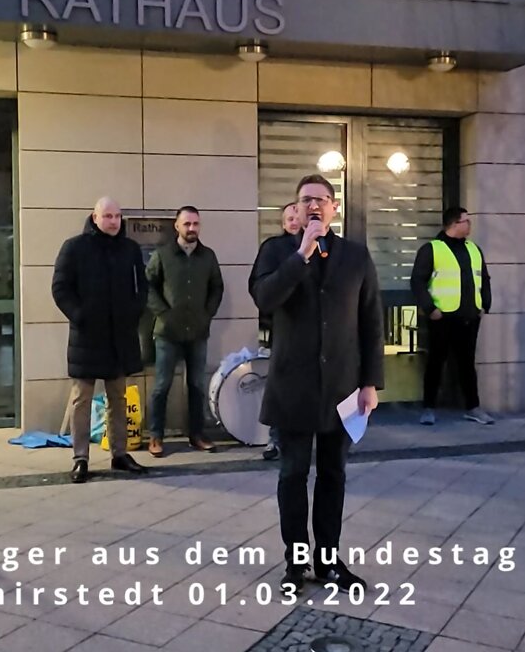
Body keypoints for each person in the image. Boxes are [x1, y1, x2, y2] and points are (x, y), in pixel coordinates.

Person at [251, 174, 383, 593]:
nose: (314, 206)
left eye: (321, 199)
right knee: (292, 474)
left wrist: (370, 382)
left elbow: (371, 322)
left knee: (333, 474)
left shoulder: (356, 256)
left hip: (342, 387)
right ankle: (296, 560)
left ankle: (327, 560)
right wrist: (301, 255)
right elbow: (264, 299)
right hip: (293, 384)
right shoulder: (276, 251)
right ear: (296, 207)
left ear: (334, 207)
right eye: (306, 199)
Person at [51, 197, 149, 484]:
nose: (114, 221)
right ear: (95, 218)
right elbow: (60, 287)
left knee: (118, 397)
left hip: (120, 336)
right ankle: (80, 458)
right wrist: (79, 315)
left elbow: (142, 286)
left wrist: (134, 311)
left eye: (118, 216)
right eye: (108, 216)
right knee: (81, 398)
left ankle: (119, 454)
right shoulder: (74, 247)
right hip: (87, 336)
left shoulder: (130, 249)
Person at [144, 206, 224, 457]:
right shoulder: (162, 255)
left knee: (197, 385)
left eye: (195, 224)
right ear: (177, 226)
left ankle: (197, 435)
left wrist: (206, 314)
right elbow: (148, 287)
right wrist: (164, 314)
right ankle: (156, 436)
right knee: (161, 386)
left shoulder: (208, 256)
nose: (192, 228)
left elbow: (217, 288)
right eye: (187, 224)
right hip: (168, 332)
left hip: (198, 332)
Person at [409, 207, 494, 426]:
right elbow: (417, 281)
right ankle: (429, 408)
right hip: (442, 318)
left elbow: (484, 278)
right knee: (436, 362)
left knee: (467, 364)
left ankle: (472, 407)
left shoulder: (474, 249)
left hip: (469, 317)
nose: (470, 224)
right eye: (466, 221)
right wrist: (431, 309)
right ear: (454, 224)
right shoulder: (432, 249)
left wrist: (485, 305)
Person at [251, 202, 302, 461]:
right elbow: (258, 287)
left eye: (297, 216)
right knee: (280, 386)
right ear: (283, 224)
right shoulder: (273, 248)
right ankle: (276, 439)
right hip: (281, 329)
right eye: (289, 218)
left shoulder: (321, 247)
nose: (293, 221)